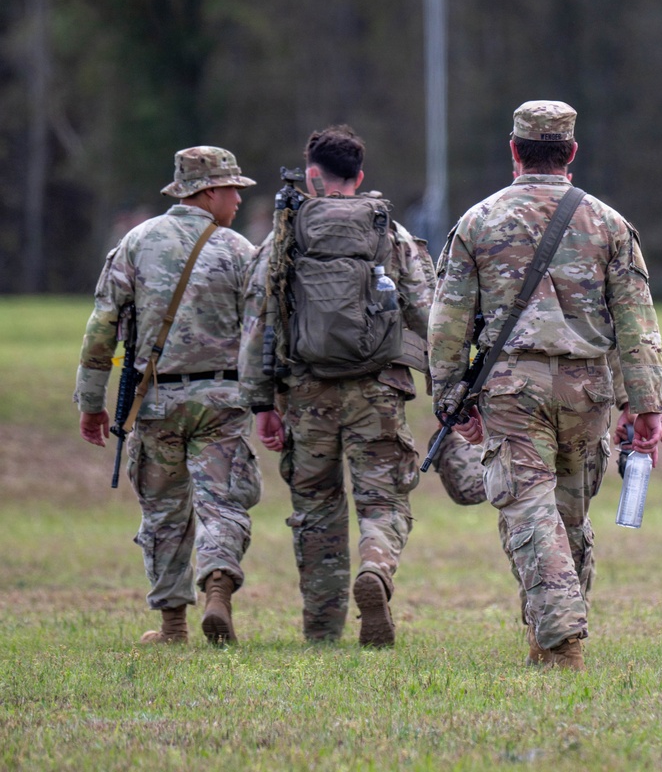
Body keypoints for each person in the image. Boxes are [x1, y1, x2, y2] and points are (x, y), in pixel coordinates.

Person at [429, 100, 662, 671]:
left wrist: (449, 396)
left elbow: (448, 320)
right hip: (587, 390)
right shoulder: (610, 224)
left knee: (530, 509)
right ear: (572, 151)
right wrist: (644, 405)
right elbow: (636, 323)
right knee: (568, 515)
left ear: (514, 150)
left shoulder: (478, 222)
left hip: (512, 387)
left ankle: (559, 636)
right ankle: (553, 635)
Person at [240, 125, 436, 647]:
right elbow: (427, 313)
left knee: (315, 511)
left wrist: (262, 402)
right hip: (378, 389)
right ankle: (375, 569)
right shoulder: (389, 233)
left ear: (312, 175)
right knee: (383, 501)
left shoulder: (285, 236)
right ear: (359, 177)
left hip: (307, 393)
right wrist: (447, 382)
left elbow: (259, 320)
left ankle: (322, 628)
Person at [75, 146, 261, 645]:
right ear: (208, 192)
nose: (238, 200)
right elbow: (262, 332)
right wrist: (270, 401)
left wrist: (90, 402)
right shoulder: (239, 250)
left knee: (163, 513)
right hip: (223, 400)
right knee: (223, 503)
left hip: (155, 401)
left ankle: (173, 625)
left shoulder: (136, 242)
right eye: (232, 190)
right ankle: (218, 584)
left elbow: (102, 327)